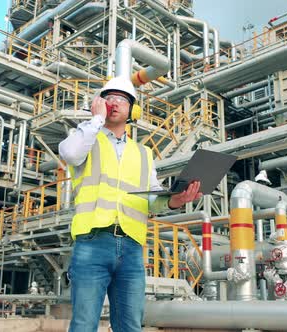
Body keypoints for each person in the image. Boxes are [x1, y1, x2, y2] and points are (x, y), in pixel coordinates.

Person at [59, 76, 202, 332]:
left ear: (132, 110)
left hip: (132, 247)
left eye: (121, 99)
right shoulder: (85, 136)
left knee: (130, 326)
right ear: (99, 103)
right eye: (108, 98)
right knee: (83, 325)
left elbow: (152, 202)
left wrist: (176, 201)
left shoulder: (143, 152)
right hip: (93, 242)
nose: (113, 103)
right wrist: (96, 119)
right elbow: (69, 153)